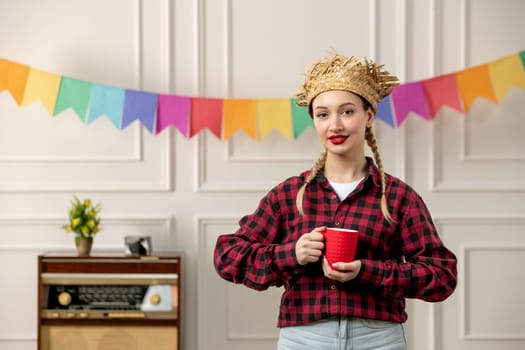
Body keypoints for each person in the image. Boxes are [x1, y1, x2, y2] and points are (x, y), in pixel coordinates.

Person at [213, 52, 457, 350]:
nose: (335, 125)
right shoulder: (289, 195)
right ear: (314, 121)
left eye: (347, 111)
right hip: (304, 338)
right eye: (323, 114)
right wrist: (292, 254)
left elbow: (442, 275)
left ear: (368, 116)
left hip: (378, 338)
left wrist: (367, 271)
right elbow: (227, 256)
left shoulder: (397, 197)